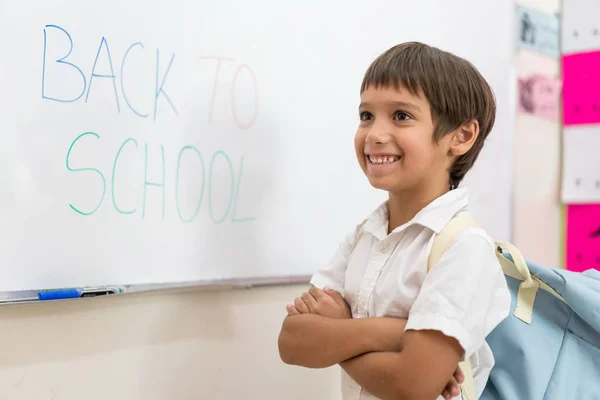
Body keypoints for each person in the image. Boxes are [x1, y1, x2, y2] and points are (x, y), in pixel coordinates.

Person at [277, 42, 511, 400]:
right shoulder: (363, 237)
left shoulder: (464, 248)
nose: (374, 135)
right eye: (366, 115)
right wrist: (396, 333)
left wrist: (339, 330)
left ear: (461, 136)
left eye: (401, 116)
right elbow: (292, 343)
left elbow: (411, 385)